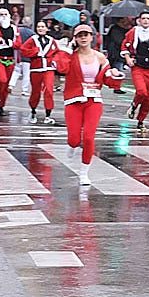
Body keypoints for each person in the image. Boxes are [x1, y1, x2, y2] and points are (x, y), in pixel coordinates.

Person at [51, 22, 110, 185]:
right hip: (74, 100)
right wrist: (67, 50)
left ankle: (84, 173)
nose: (83, 38)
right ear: (75, 38)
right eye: (79, 35)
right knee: (74, 139)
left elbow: (108, 79)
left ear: (92, 37)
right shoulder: (70, 55)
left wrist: (114, 75)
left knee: (89, 137)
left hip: (94, 101)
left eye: (86, 35)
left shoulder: (100, 57)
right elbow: (61, 69)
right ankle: (72, 146)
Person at [120, 11, 149, 125]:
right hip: (138, 66)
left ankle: (141, 120)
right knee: (141, 91)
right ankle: (134, 105)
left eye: (148, 18)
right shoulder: (133, 32)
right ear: (139, 20)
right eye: (143, 18)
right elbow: (124, 46)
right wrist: (128, 58)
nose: (146, 21)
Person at [21, 18, 60, 125]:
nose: (40, 28)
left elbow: (57, 52)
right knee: (36, 91)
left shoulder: (51, 40)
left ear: (47, 29)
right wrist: (35, 52)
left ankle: (48, 114)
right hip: (36, 69)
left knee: (49, 90)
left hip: (48, 69)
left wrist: (54, 61)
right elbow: (23, 50)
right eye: (38, 27)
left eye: (42, 27)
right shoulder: (32, 39)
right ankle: (33, 110)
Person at [0, 8, 18, 116]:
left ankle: (1, 105)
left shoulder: (14, 28)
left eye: (5, 14)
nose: (3, 16)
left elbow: (19, 44)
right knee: (2, 80)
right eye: (1, 14)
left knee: (6, 84)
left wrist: (8, 43)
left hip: (10, 59)